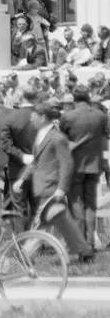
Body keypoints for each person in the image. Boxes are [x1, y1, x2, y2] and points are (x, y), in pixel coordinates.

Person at [14, 101, 93, 262]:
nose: (31, 119)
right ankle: (85, 252)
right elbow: (36, 162)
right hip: (44, 186)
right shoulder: (41, 135)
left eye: (34, 116)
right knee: (61, 221)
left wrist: (62, 188)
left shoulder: (57, 138)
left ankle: (25, 254)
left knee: (41, 221)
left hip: (51, 187)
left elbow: (67, 164)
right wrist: (22, 179)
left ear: (43, 117)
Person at [57, 86, 107, 251]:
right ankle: (90, 243)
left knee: (76, 204)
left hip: (75, 165)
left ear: (74, 99)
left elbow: (61, 139)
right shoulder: (101, 116)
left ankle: (81, 245)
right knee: (90, 204)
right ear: (88, 98)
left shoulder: (68, 117)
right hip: (94, 164)